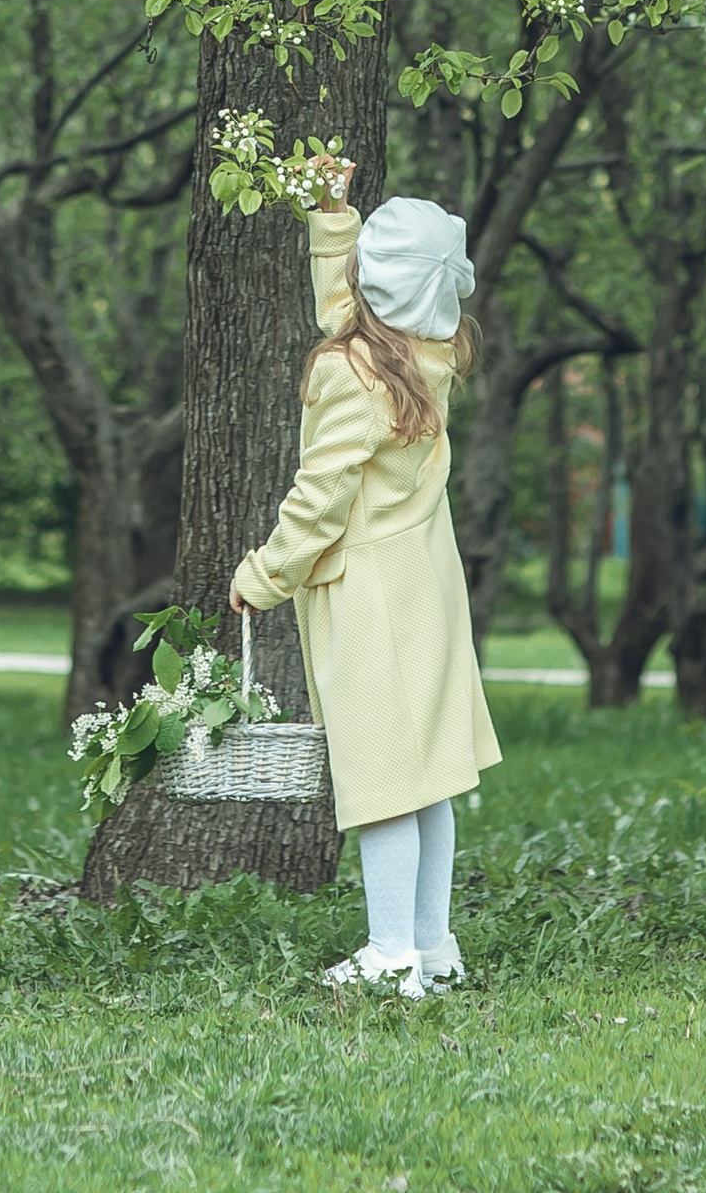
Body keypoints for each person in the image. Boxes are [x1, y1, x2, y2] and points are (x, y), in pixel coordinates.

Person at [230, 158, 502, 996]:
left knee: (383, 778)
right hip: (424, 584)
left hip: (368, 596)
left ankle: (391, 958)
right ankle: (434, 945)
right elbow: (356, 310)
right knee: (428, 774)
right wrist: (332, 218)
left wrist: (265, 574)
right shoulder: (430, 353)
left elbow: (318, 501)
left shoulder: (350, 372)